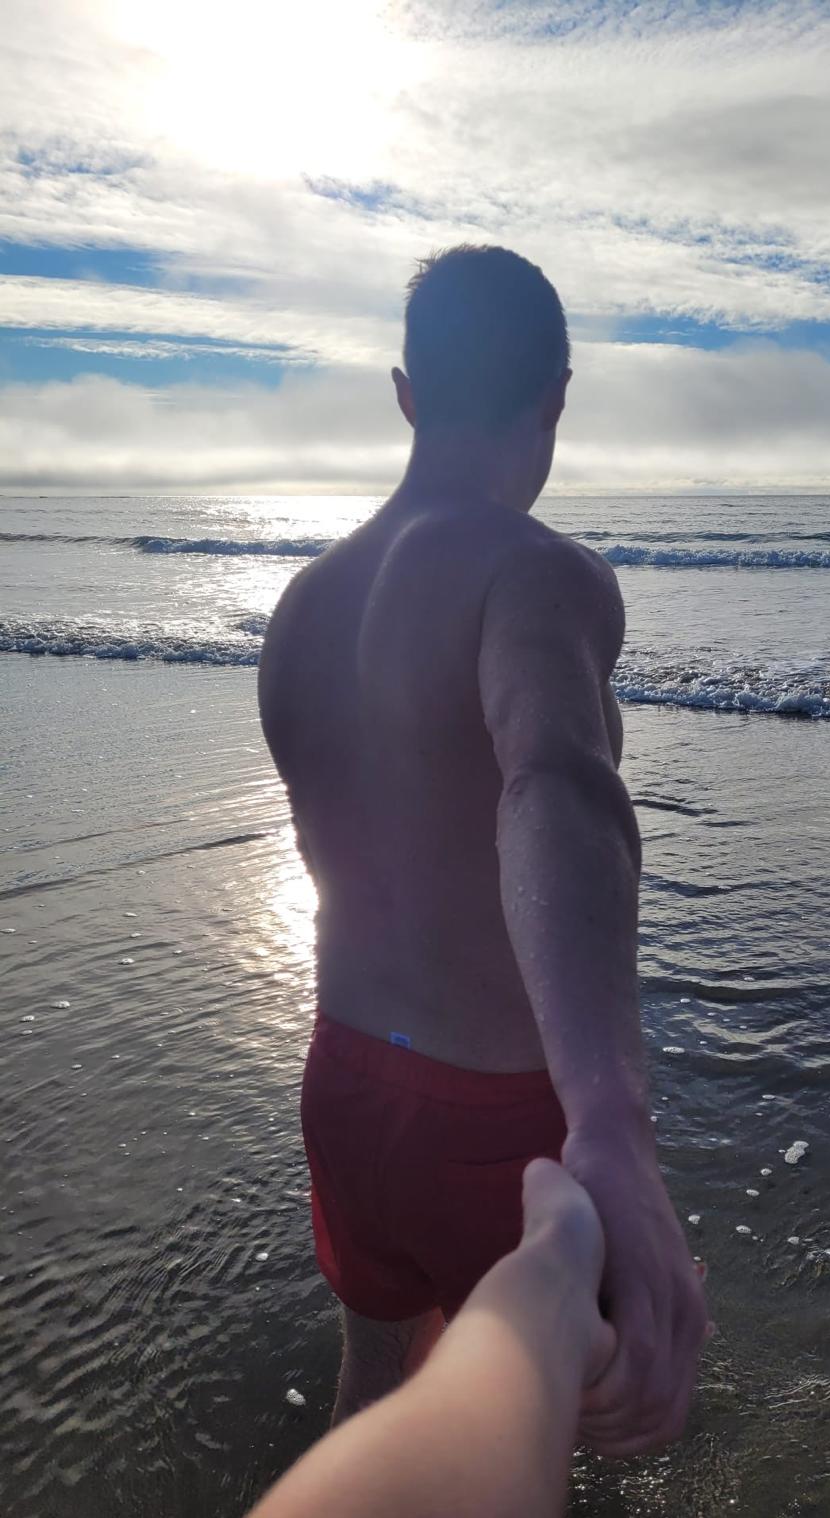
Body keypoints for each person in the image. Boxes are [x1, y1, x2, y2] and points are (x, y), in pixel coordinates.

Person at [257, 245, 706, 1453]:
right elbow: (553, 780)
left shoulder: (302, 607)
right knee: (530, 1447)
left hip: (345, 1081)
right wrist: (608, 1117)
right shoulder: (534, 571)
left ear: (408, 394)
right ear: (556, 397)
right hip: (497, 1120)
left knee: (377, 1387)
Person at [177, 1160, 617, 1518]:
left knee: (377, 1374)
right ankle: (548, 1284)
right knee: (525, 1401)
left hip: (365, 1132)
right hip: (508, 1140)